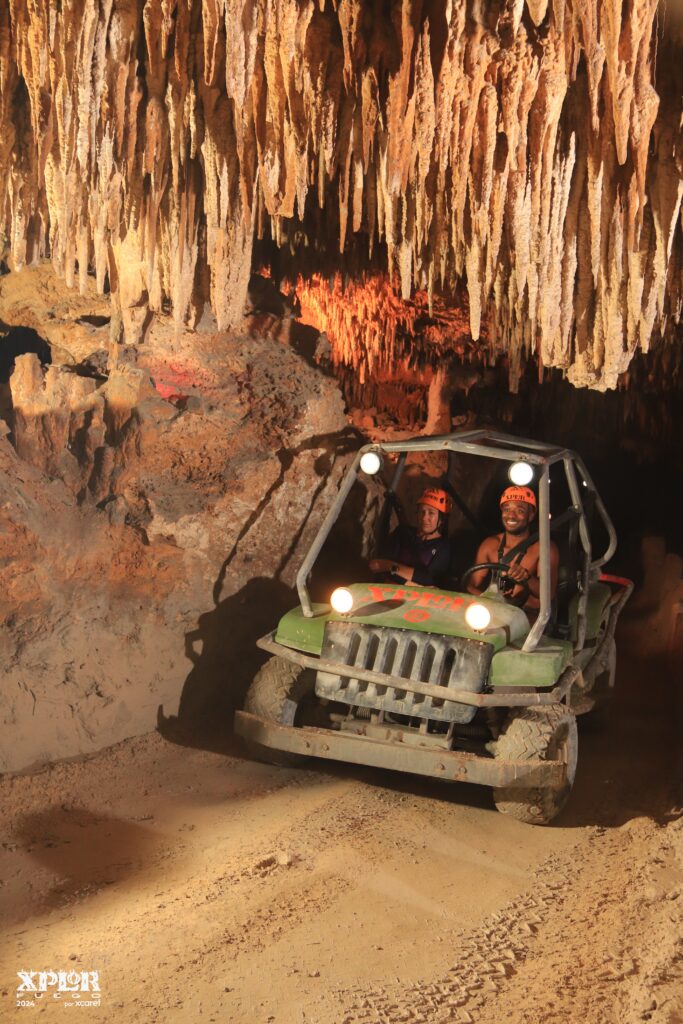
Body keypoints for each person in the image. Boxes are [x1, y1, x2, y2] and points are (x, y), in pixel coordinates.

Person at [467, 486, 558, 610]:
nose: (511, 516)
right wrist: (488, 601)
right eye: (507, 509)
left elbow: (549, 595)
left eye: (519, 511)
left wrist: (526, 578)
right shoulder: (490, 545)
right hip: (491, 613)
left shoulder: (544, 549)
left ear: (531, 515)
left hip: (527, 616)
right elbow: (470, 585)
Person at [369, 488, 452, 587]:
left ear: (442, 519)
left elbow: (430, 579)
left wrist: (391, 566)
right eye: (422, 511)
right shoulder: (403, 532)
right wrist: (416, 585)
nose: (424, 518)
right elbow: (376, 565)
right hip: (388, 593)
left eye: (431, 513)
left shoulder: (444, 546)